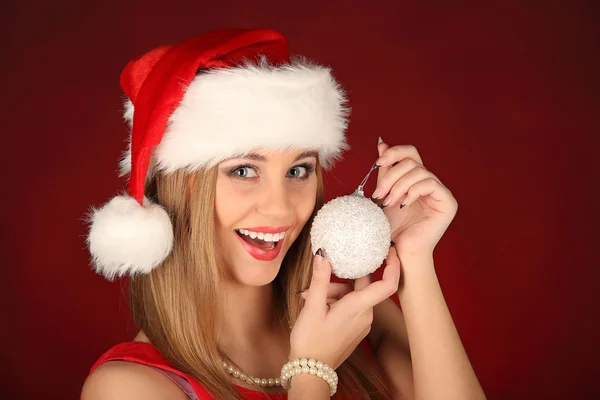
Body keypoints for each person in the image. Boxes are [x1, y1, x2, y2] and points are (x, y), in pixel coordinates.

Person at [80, 28, 486, 400]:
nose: (279, 208)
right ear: (180, 188)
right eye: (243, 170)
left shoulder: (356, 318)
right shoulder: (128, 388)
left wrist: (414, 257)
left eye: (298, 170)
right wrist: (313, 373)